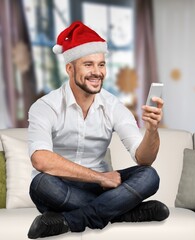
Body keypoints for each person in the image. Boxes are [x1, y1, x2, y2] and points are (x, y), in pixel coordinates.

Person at [27, 21, 169, 239]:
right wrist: (100, 177)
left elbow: (143, 159)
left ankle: (70, 220)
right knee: (41, 184)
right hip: (61, 187)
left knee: (149, 176)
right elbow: (41, 160)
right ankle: (124, 213)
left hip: (102, 190)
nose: (97, 72)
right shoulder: (45, 106)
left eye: (101, 65)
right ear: (69, 68)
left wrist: (151, 130)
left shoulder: (113, 106)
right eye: (88, 65)